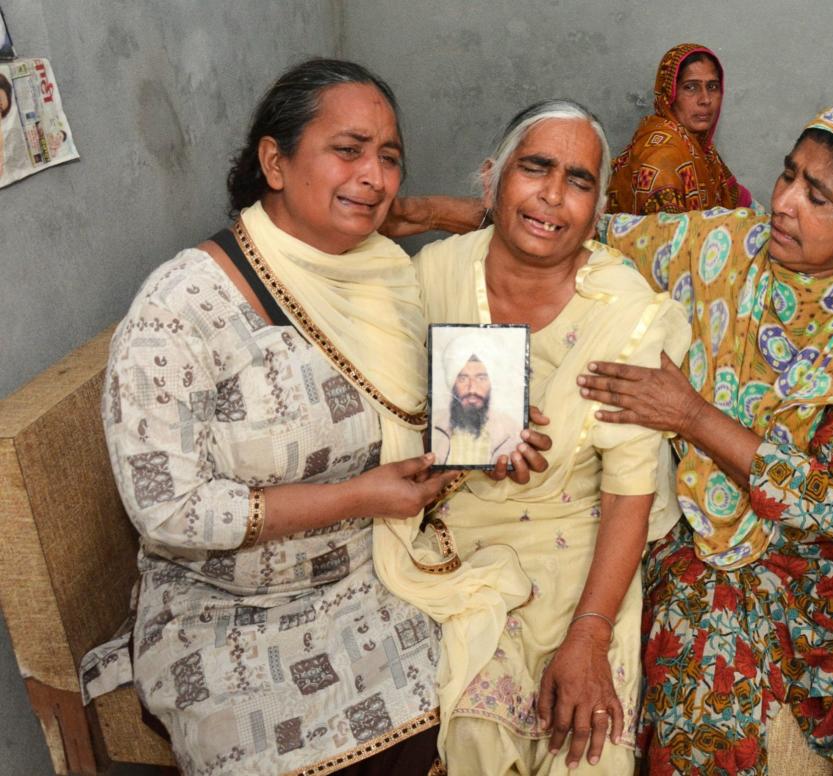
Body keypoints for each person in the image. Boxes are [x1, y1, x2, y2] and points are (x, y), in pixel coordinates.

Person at [78, 58, 548, 776]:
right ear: (275, 160)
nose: (375, 175)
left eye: (389, 157)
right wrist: (358, 497)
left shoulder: (382, 273)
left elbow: (402, 422)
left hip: (372, 576)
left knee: (479, 715)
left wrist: (482, 431)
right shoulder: (181, 308)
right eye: (348, 149)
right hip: (225, 609)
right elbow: (168, 510)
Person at [579, 105, 833, 774]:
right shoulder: (731, 248)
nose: (784, 203)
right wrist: (448, 213)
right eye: (787, 176)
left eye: (816, 195)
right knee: (698, 724)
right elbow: (603, 233)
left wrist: (694, 416)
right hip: (720, 542)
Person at [374, 100, 690, 775]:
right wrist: (461, 443)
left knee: (585, 749)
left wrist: (589, 635)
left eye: (578, 180)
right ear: (491, 181)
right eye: (536, 168)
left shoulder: (623, 312)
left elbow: (629, 493)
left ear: (598, 208)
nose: (552, 195)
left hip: (581, 546)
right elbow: (386, 417)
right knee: (477, 736)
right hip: (457, 539)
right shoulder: (434, 276)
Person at [605, 43, 750, 214]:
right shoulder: (662, 156)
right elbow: (666, 234)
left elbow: (738, 201)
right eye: (691, 87)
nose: (705, 99)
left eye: (712, 87)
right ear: (669, 94)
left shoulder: (702, 150)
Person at [431, 338, 522, 466]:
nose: (472, 388)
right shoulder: (432, 424)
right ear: (452, 383)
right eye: (463, 378)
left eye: (481, 378)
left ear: (491, 382)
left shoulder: (510, 430)